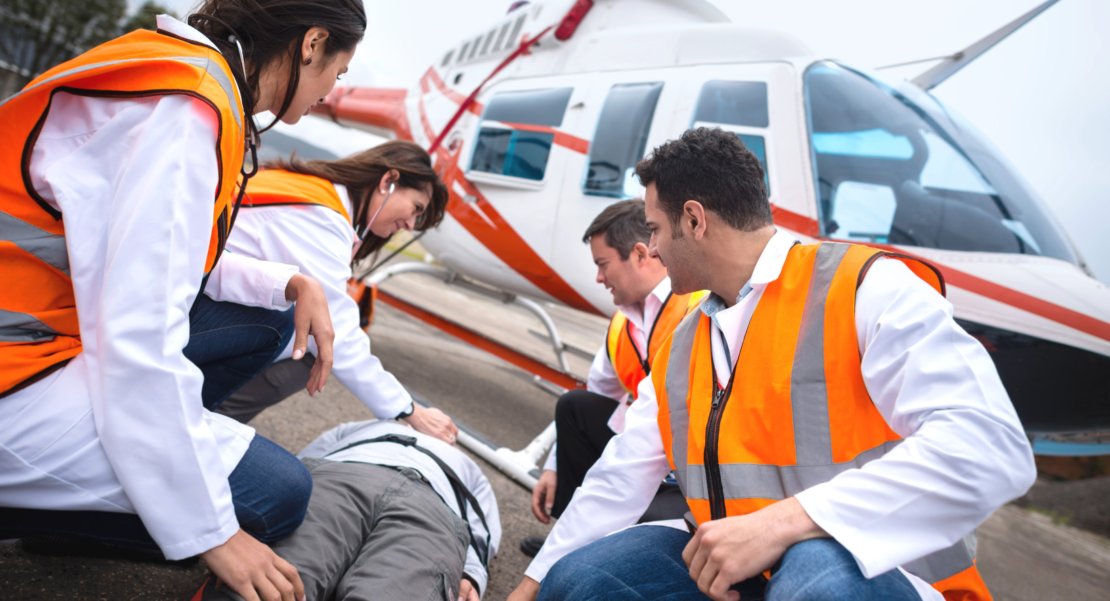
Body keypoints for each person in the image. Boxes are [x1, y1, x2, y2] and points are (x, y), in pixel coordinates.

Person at [508, 127, 1036, 601]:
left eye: (655, 229)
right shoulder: (683, 343)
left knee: (814, 570)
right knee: (581, 581)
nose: (651, 247)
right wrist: (533, 585)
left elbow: (991, 447)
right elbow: (619, 477)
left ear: (694, 220)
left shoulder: (864, 288)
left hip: (882, 574)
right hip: (741, 572)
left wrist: (782, 525)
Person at [0, 2, 366, 600]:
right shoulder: (188, 110)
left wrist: (290, 283)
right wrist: (210, 527)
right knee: (276, 496)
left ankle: (137, 471)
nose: (332, 89)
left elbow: (160, 256)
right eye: (339, 70)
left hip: (43, 331)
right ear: (311, 44)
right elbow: (136, 338)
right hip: (16, 368)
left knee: (271, 317)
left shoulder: (187, 76)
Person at [214, 141, 460, 443]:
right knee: (314, 345)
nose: (410, 224)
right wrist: (409, 410)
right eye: (416, 209)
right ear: (388, 182)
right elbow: (336, 329)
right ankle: (209, 422)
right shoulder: (322, 217)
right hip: (188, 308)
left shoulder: (313, 190)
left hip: (190, 292)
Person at [521, 199, 704, 557]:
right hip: (644, 444)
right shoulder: (622, 324)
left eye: (603, 265)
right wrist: (554, 468)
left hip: (682, 469)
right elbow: (598, 390)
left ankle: (587, 545)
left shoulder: (695, 308)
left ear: (639, 255)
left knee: (634, 545)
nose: (599, 278)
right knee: (576, 407)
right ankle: (567, 541)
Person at [198, 419, 501, 601]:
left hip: (433, 503)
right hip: (343, 476)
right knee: (277, 580)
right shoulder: (372, 425)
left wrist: (472, 576)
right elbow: (296, 467)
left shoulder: (470, 467)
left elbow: (483, 530)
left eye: (448, 428)